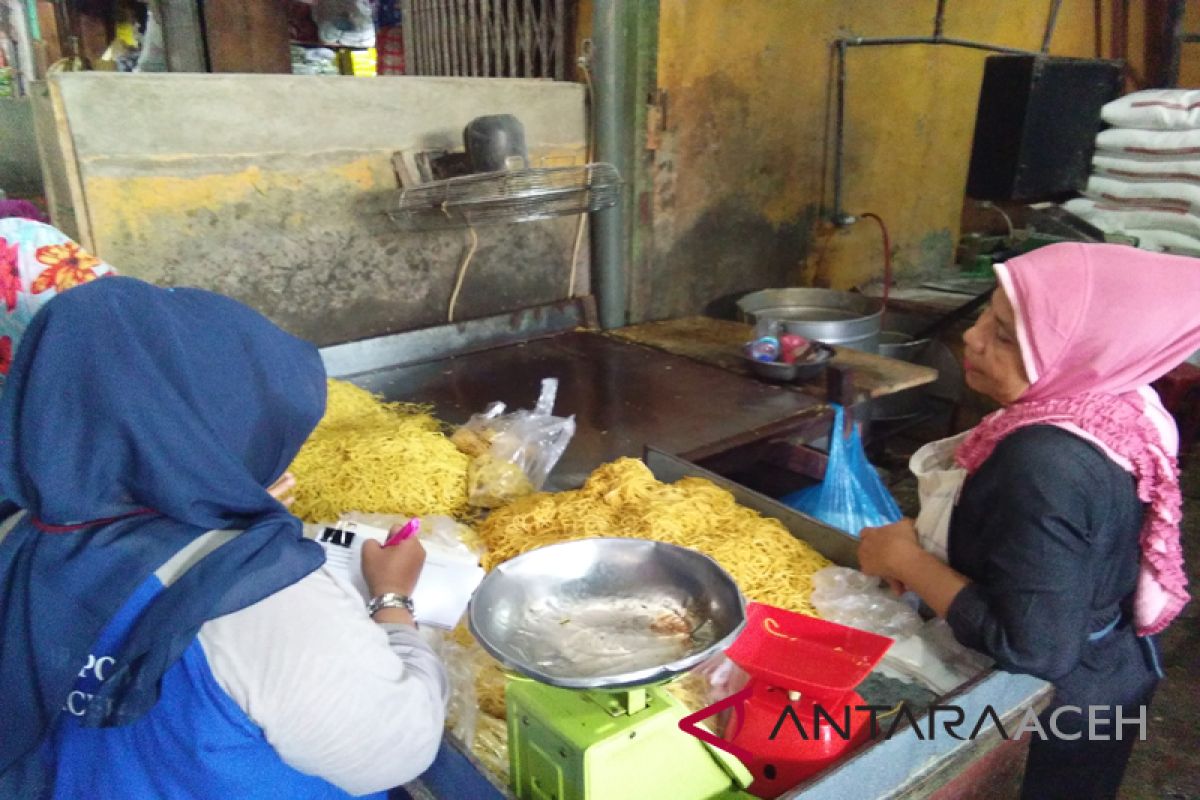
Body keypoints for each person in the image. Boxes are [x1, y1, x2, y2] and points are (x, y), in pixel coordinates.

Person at [0, 277, 447, 798]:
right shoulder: (259, 601)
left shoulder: (21, 529)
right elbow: (395, 751)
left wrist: (213, 513)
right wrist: (393, 601)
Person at [857, 242, 1199, 800]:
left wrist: (908, 562)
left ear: (1080, 350)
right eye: (987, 314)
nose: (972, 337)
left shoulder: (1043, 464)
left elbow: (1036, 647)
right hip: (1109, 675)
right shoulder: (1110, 397)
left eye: (1007, 335)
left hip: (1054, 714)